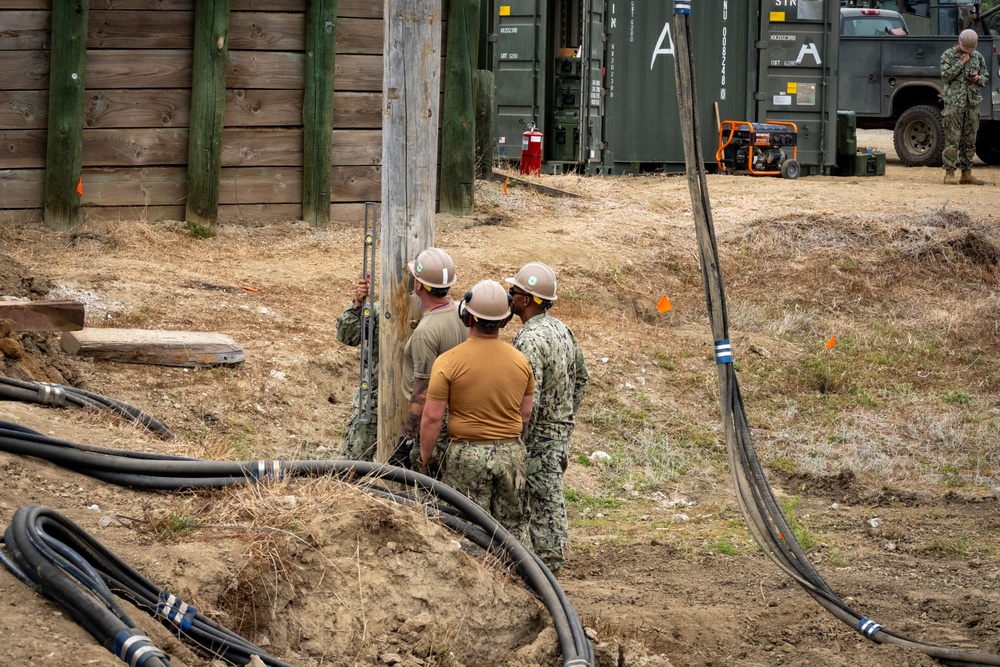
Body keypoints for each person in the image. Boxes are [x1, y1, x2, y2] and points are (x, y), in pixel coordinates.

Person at [419, 280, 535, 543]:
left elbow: (432, 417)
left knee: (466, 531)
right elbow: (525, 414)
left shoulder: (448, 362)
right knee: (513, 531)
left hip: (467, 456)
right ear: (504, 321)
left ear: (466, 315)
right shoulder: (521, 362)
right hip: (511, 455)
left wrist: (424, 460)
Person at [506, 262, 589, 571]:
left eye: (514, 292)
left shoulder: (528, 340)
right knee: (546, 497)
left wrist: (519, 439)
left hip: (539, 437)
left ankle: (549, 567)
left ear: (527, 300)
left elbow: (530, 398)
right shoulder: (561, 330)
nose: (510, 297)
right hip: (559, 433)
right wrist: (564, 414)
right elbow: (582, 378)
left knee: (543, 503)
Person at [396, 247, 468, 473]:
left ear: (418, 285)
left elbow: (423, 394)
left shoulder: (425, 333)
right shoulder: (462, 313)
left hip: (434, 426)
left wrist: (407, 440)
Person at [335, 277, 379, 461]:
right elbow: (347, 336)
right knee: (352, 467)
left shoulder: (434, 317)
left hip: (419, 404)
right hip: (375, 402)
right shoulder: (380, 312)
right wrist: (358, 304)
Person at [941, 29, 989, 185]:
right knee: (952, 139)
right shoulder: (948, 55)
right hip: (954, 104)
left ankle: (966, 173)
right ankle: (949, 173)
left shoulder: (978, 57)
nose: (968, 52)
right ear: (959, 42)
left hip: (972, 104)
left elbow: (985, 78)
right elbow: (946, 76)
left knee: (969, 140)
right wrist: (961, 62)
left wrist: (977, 79)